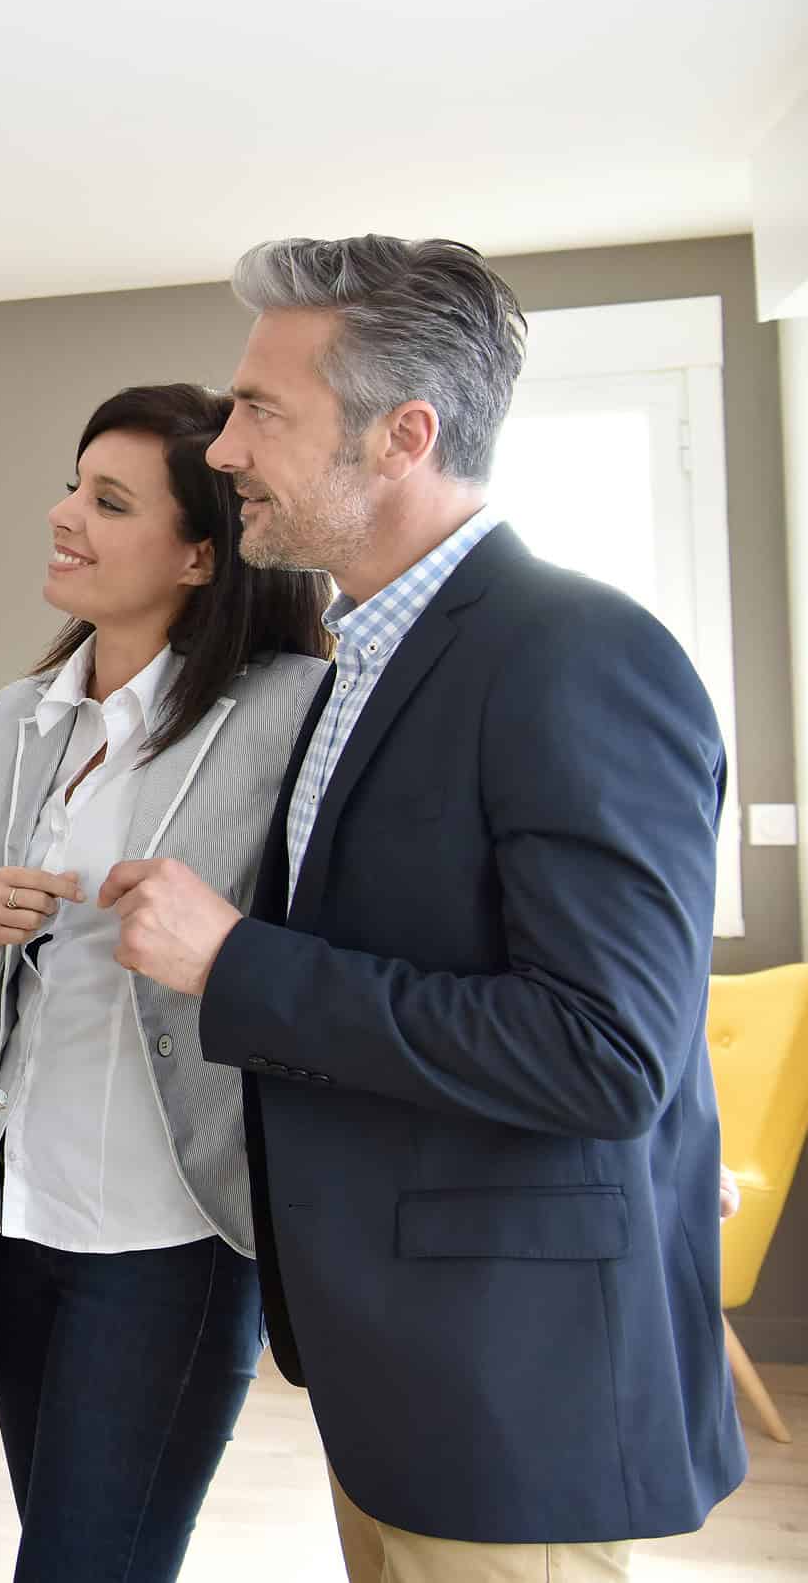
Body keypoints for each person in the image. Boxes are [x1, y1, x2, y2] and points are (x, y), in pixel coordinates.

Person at [103, 235, 746, 1579]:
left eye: (258, 412)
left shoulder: (574, 653)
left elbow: (602, 1052)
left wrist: (234, 964)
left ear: (401, 435)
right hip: (400, 1363)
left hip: (508, 1386)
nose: (219, 449)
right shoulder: (363, 658)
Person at [0, 383, 330, 1580]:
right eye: (73, 484)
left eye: (108, 501)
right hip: (20, 1212)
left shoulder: (291, 712)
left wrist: (213, 943)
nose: (64, 515)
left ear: (204, 552)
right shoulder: (21, 718)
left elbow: (333, 962)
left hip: (177, 1232)